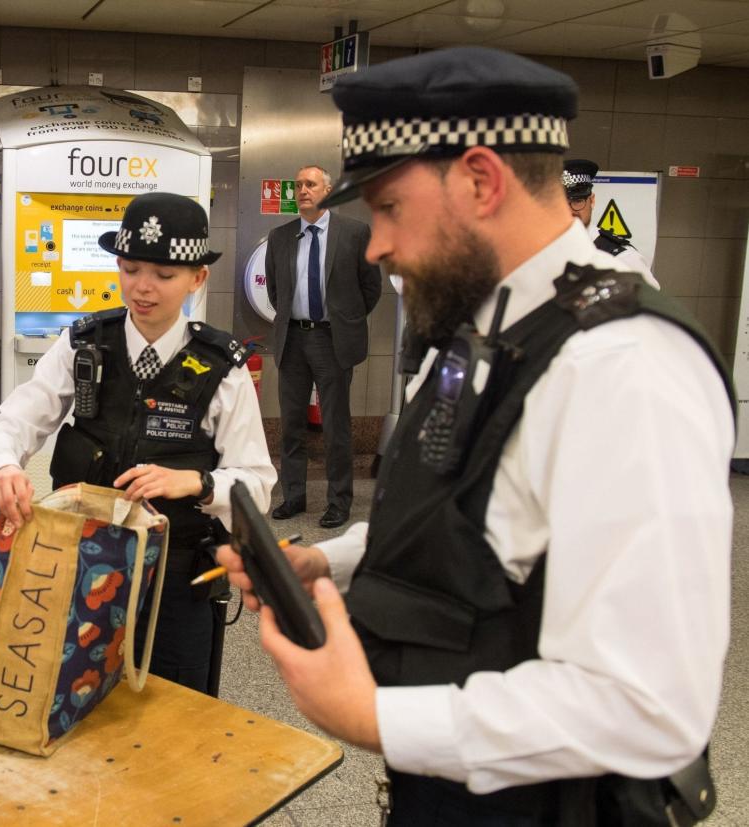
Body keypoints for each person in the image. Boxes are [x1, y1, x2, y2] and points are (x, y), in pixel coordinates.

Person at [218, 47, 733, 825]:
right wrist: (333, 559)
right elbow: (470, 516)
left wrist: (378, 718)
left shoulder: (622, 366)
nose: (378, 245)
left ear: (483, 180)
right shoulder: (487, 326)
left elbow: (647, 705)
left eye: (389, 208)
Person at [0, 193, 277, 695]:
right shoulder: (86, 344)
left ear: (198, 277)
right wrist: (2, 466)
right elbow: (16, 420)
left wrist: (197, 483)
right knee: (76, 695)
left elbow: (258, 484)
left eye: (164, 274)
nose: (143, 287)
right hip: (81, 565)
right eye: (131, 269)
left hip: (178, 578)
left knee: (175, 713)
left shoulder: (222, 367)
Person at [266, 165, 381, 529]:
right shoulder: (281, 236)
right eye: (298, 185)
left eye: (310, 184)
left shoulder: (354, 233)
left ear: (328, 191)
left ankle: (339, 501)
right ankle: (294, 496)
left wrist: (345, 320)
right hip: (293, 339)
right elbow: (274, 290)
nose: (302, 190)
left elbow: (371, 288)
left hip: (332, 339)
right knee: (291, 424)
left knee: (335, 425)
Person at [562, 158, 659, 287]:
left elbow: (651, 304)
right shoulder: (540, 251)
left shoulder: (622, 258)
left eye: (577, 201)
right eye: (560, 204)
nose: (569, 211)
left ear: (592, 201)